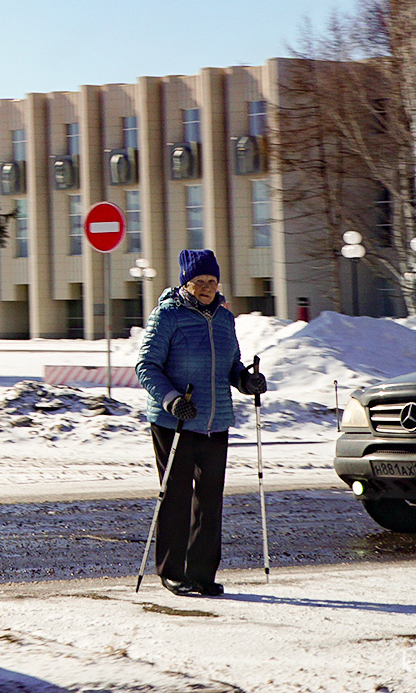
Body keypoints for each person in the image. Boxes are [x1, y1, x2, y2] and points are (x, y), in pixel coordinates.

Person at [135, 249, 266, 597]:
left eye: (212, 281)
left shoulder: (224, 319)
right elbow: (146, 366)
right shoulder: (167, 316)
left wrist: (245, 380)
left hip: (215, 419)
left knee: (210, 499)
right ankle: (172, 571)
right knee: (176, 496)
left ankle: (203, 573)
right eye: (199, 282)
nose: (207, 287)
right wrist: (171, 399)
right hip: (173, 422)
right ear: (185, 283)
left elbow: (232, 364)